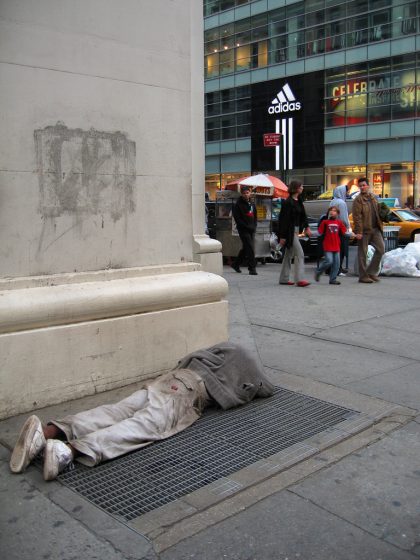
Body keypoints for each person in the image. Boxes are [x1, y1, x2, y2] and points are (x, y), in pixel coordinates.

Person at [9, 342, 274, 481]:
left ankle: (46, 433)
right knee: (145, 426)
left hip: (171, 378)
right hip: (190, 391)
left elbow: (192, 356)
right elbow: (266, 388)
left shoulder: (224, 348)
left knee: (117, 410)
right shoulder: (249, 366)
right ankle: (69, 451)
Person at [278, 179, 312, 287]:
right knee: (300, 254)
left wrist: (307, 227)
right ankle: (300, 279)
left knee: (288, 255)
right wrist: (282, 236)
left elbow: (303, 216)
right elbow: (283, 220)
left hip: (296, 231)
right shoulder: (288, 203)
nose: (302, 188)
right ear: (296, 188)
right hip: (290, 232)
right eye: (301, 186)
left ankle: (283, 278)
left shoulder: (299, 200)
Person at [352, 177, 385, 283]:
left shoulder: (373, 197)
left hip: (376, 229)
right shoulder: (358, 200)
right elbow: (357, 217)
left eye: (363, 185)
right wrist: (359, 232)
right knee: (363, 254)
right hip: (364, 230)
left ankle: (371, 272)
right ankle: (363, 276)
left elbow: (378, 211)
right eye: (360, 186)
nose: (362, 187)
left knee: (381, 250)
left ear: (368, 186)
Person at [314, 206, 348, 285]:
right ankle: (318, 272)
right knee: (329, 261)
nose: (332, 212)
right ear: (329, 212)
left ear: (338, 214)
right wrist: (310, 233)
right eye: (331, 210)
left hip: (336, 246)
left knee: (336, 264)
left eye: (334, 211)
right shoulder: (325, 222)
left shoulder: (339, 222)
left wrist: (354, 235)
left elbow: (345, 232)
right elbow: (319, 233)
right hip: (328, 245)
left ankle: (332, 279)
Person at [231, 185, 258, 275]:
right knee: (250, 247)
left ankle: (236, 264)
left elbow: (255, 216)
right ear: (241, 194)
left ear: (250, 193)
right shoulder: (238, 205)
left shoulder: (252, 203)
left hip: (251, 228)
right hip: (243, 229)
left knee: (246, 247)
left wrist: (254, 226)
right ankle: (252, 268)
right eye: (244, 193)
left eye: (247, 193)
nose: (246, 195)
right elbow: (237, 219)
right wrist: (246, 226)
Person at [329, 183, 351, 275]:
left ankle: (334, 268)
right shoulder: (342, 203)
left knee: (334, 250)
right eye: (346, 191)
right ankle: (338, 269)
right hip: (341, 230)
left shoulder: (333, 201)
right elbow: (343, 218)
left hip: (333, 229)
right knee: (341, 250)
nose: (347, 193)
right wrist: (348, 227)